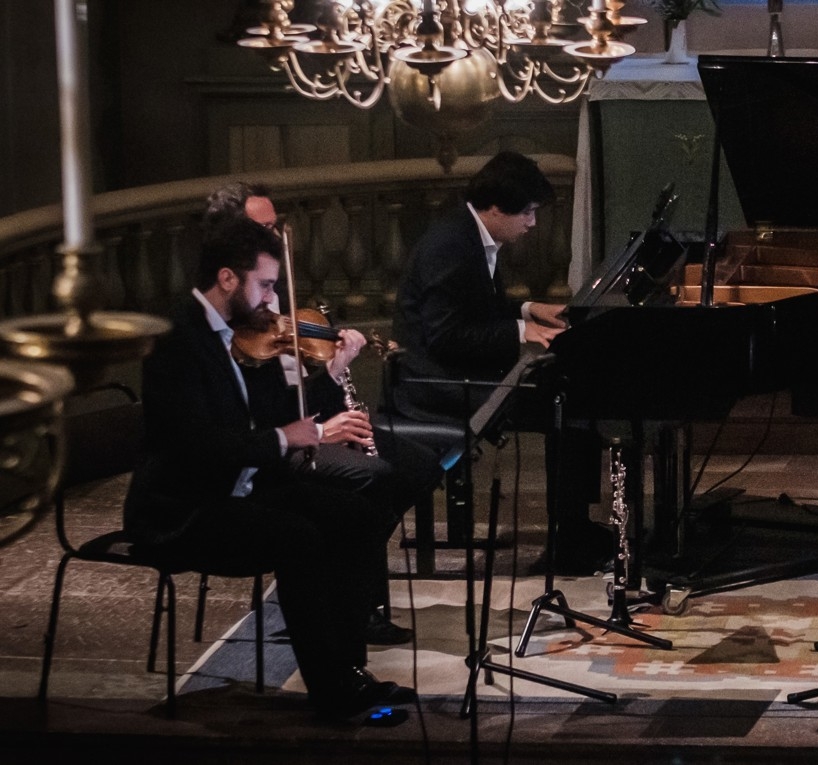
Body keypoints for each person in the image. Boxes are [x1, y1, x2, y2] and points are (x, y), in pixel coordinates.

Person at [123, 218, 415, 719]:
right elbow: (198, 445)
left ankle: (348, 671)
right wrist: (286, 439)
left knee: (359, 515)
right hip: (184, 509)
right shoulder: (176, 340)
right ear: (228, 279)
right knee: (299, 536)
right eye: (265, 284)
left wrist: (326, 382)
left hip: (235, 491)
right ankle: (331, 694)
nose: (271, 299)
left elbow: (272, 406)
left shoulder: (223, 334)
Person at [205, 181, 442, 644]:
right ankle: (350, 602)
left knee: (419, 465)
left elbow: (299, 395)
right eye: (262, 228)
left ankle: (345, 582)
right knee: (371, 476)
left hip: (310, 421)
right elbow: (262, 415)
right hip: (275, 446)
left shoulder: (273, 300)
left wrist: (334, 371)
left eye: (276, 228)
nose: (273, 238)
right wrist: (321, 426)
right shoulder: (223, 316)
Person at [393, 151, 611, 575]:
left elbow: (479, 305)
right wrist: (518, 332)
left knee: (573, 395)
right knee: (567, 404)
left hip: (457, 370)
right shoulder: (452, 246)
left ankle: (575, 529)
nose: (532, 222)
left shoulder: (469, 235)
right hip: (435, 382)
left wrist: (530, 310)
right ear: (495, 208)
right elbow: (446, 336)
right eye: (527, 212)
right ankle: (569, 539)